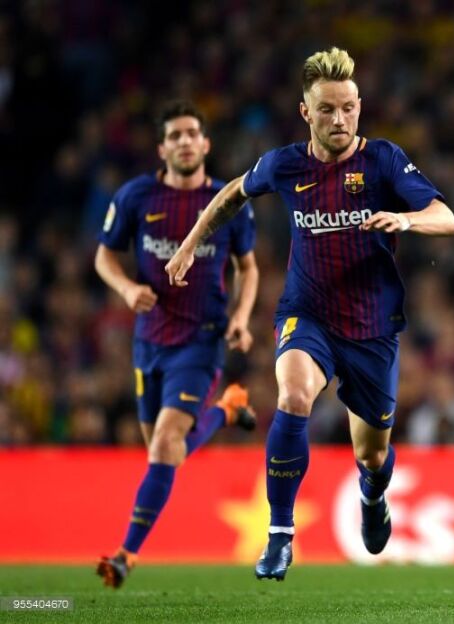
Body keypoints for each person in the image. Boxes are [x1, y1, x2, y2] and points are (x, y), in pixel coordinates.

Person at [164, 47, 454, 580]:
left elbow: (447, 217)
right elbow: (233, 193)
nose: (339, 119)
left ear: (359, 106)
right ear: (306, 112)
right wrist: (190, 244)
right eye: (326, 109)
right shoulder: (285, 164)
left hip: (371, 327)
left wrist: (405, 220)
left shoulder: (384, 160)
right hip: (308, 312)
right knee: (293, 395)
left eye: (348, 107)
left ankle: (372, 496)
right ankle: (280, 533)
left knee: (372, 457)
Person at [94, 100, 259, 589]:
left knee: (167, 443)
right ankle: (226, 411)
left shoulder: (227, 202)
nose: (184, 141)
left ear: (206, 144)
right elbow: (104, 257)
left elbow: (248, 268)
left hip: (201, 340)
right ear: (162, 148)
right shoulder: (136, 197)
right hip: (149, 341)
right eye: (175, 135)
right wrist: (127, 289)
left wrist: (241, 318)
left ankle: (126, 554)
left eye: (192, 133)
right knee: (165, 452)